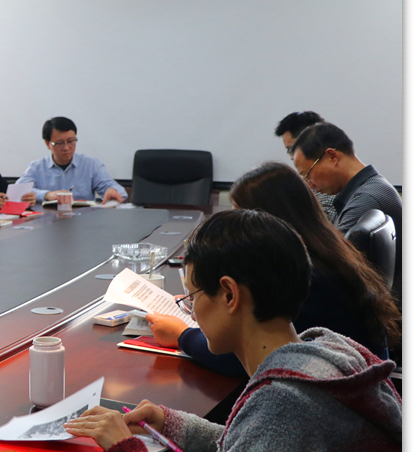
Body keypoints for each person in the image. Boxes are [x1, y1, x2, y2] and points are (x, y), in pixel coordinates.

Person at [65, 209, 401, 452]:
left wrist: (126, 451)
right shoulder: (331, 349)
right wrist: (170, 424)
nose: (191, 309)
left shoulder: (284, 404)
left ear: (229, 294)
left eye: (192, 296)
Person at [146, 162, 400, 376]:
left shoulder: (308, 278)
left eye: (241, 217)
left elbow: (249, 354)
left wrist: (182, 335)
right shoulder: (328, 250)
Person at [290, 122, 402, 302]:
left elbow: (329, 266)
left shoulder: (367, 199)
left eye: (308, 174)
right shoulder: (368, 189)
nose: (309, 184)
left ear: (332, 156)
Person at [16, 117, 126, 205]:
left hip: (83, 220)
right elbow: (18, 191)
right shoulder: (36, 167)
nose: (66, 148)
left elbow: (117, 190)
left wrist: (112, 190)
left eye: (71, 141)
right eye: (60, 143)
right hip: (47, 221)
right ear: (48, 144)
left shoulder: (91, 165)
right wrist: (47, 195)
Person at [273, 110, 336, 221]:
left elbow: (327, 222)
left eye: (292, 149)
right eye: (289, 151)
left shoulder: (328, 180)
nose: (292, 157)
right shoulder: (310, 180)